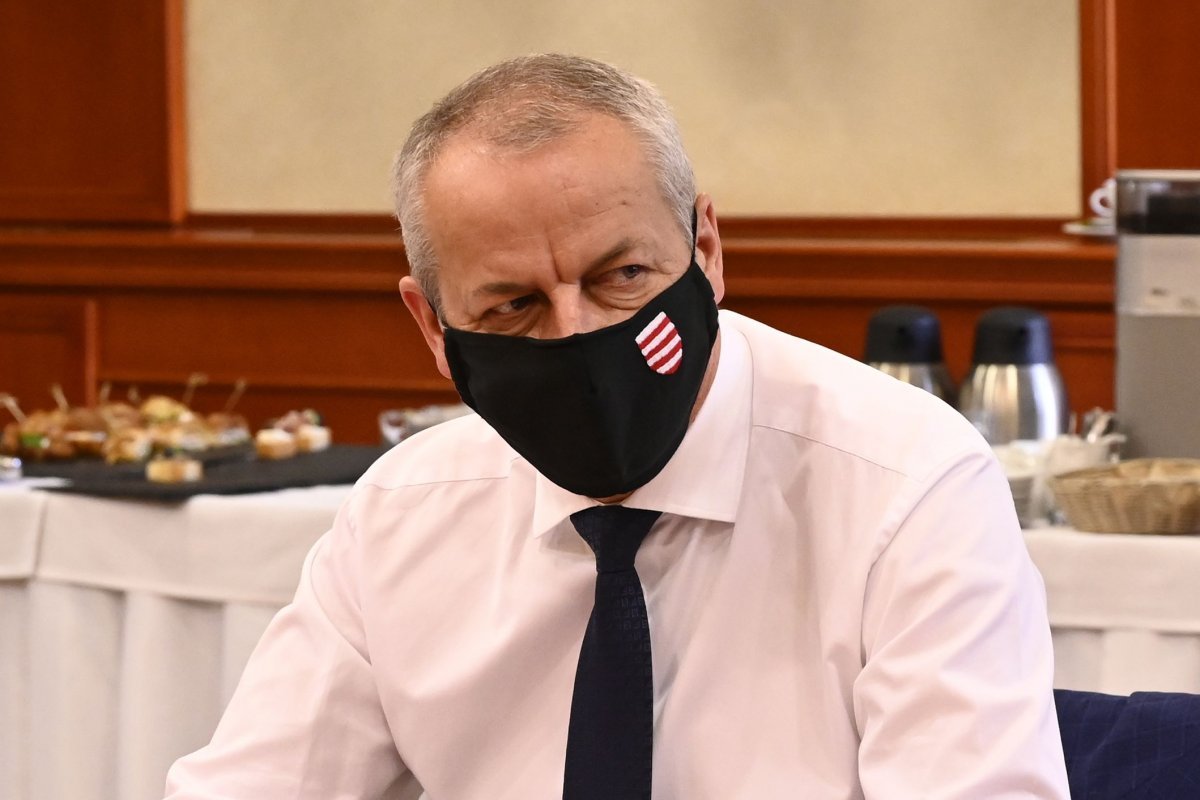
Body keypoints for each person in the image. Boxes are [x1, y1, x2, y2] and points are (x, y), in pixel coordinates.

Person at [165, 54, 1069, 798]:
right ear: (432, 328)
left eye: (622, 277)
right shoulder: (403, 513)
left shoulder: (907, 487)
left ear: (705, 250)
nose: (579, 337)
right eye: (515, 306)